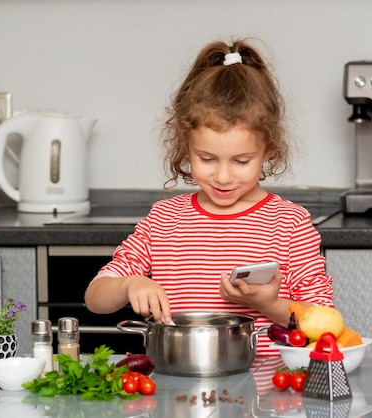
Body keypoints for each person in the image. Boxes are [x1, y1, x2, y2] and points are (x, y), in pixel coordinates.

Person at [84, 38, 333, 356]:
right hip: (176, 389)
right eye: (207, 158)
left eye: (241, 161)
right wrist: (129, 284)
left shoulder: (289, 224)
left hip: (268, 396)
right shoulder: (164, 219)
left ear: (268, 149)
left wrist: (267, 304)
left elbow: (324, 322)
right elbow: (95, 298)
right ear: (186, 146)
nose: (224, 176)